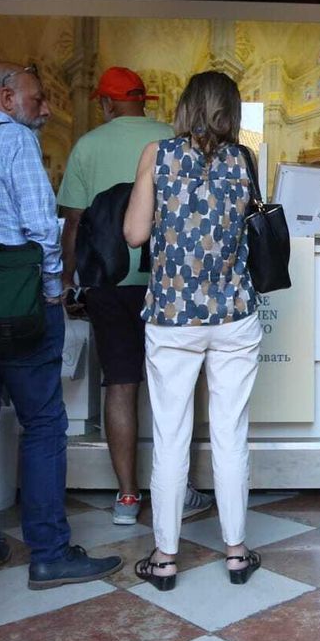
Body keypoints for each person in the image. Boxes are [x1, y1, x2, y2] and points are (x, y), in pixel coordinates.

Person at [0, 62, 123, 591]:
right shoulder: (15, 142)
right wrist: (52, 292)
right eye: (38, 99)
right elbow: (44, 226)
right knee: (43, 425)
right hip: (20, 309)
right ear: (6, 96)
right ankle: (49, 552)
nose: (46, 109)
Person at [124, 70, 262, 591]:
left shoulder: (156, 155)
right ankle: (235, 552)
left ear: (185, 105)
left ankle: (164, 558)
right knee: (230, 434)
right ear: (230, 110)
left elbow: (135, 232)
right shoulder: (243, 161)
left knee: (170, 435)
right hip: (233, 315)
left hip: (172, 316)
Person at [59, 66, 214, 526]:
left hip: (108, 284)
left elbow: (73, 225)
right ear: (143, 100)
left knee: (120, 384)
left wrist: (68, 280)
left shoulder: (88, 145)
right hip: (165, 282)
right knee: (175, 387)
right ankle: (179, 490)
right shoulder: (171, 138)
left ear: (106, 104)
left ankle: (127, 498)